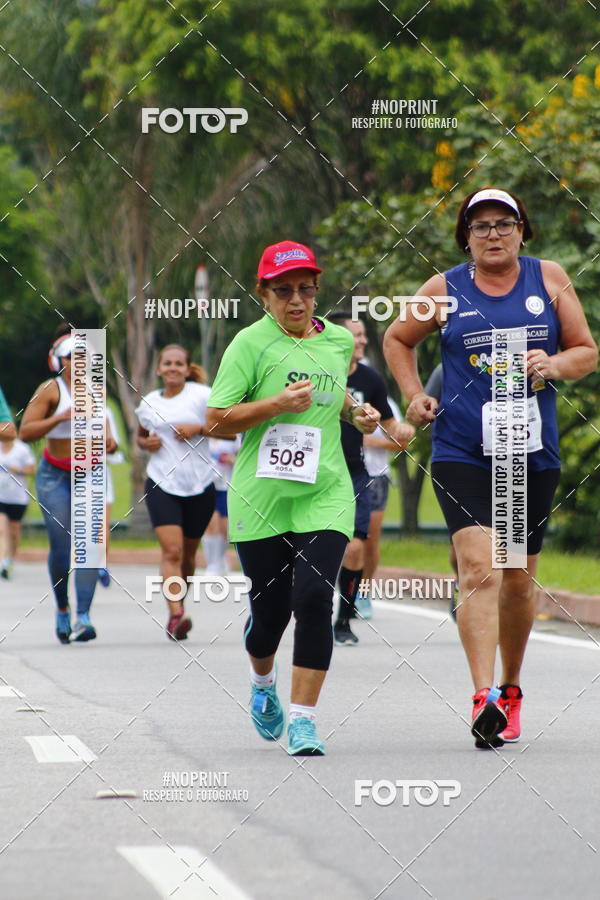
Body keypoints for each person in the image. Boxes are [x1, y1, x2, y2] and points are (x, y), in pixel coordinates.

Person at [384, 187, 598, 749]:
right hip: (462, 449)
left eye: (505, 223)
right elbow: (397, 337)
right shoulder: (444, 289)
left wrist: (552, 363)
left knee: (518, 582)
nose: (494, 234)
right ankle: (482, 699)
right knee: (479, 566)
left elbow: (586, 351)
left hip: (528, 453)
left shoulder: (548, 279)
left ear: (523, 230)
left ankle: (511, 688)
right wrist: (412, 394)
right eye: (481, 226)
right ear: (466, 237)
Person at [205, 240, 381, 756]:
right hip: (263, 498)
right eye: (284, 291)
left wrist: (358, 414)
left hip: (325, 489)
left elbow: (336, 395)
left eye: (306, 289)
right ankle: (262, 683)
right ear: (263, 293)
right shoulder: (248, 345)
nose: (297, 301)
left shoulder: (338, 343)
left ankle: (304, 719)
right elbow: (216, 419)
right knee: (270, 617)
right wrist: (275, 404)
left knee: (312, 599)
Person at [20, 333, 117, 643]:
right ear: (58, 363)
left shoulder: (97, 390)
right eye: (69, 358)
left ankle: (83, 617)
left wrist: (111, 443)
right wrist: (60, 417)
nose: (76, 364)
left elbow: (106, 433)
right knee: (62, 547)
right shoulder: (51, 390)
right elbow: (26, 431)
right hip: (55, 475)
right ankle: (63, 608)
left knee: (90, 545)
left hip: (90, 471)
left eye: (82, 358)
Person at [327, 312, 414, 645]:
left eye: (364, 334)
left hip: (355, 472)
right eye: (356, 335)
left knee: (355, 549)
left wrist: (401, 429)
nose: (363, 340)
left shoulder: (371, 379)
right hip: (314, 472)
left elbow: (391, 424)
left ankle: (343, 620)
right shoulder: (316, 374)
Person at [135, 346, 215, 641]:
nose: (172, 368)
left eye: (178, 364)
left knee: (189, 555)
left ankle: (178, 606)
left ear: (187, 368)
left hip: (200, 484)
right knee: (172, 551)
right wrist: (146, 445)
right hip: (161, 483)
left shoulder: (202, 395)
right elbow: (142, 437)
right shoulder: (149, 402)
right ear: (158, 369)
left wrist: (199, 428)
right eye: (167, 363)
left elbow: (231, 431)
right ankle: (176, 614)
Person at [359, 393, 403, 619]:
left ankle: (363, 593)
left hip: (375, 477)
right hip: (340, 475)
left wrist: (369, 441)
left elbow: (402, 443)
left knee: (370, 539)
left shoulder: (386, 403)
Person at [423, 363, 460, 621]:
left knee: (509, 549)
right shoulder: (445, 369)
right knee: (465, 545)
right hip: (461, 462)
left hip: (511, 461)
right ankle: (463, 581)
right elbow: (424, 407)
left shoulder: (521, 358)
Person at [202, 435, 241, 575]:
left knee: (225, 529)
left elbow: (242, 459)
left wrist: (230, 459)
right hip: (209, 485)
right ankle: (212, 564)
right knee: (210, 525)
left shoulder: (232, 437)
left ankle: (221, 558)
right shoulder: (202, 435)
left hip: (226, 486)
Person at [0, 436, 36, 578]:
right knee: (1, 530)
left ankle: (10, 559)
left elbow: (32, 470)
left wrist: (18, 470)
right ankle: (2, 562)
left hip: (17, 498)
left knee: (14, 533)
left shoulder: (22, 449)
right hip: (1, 497)